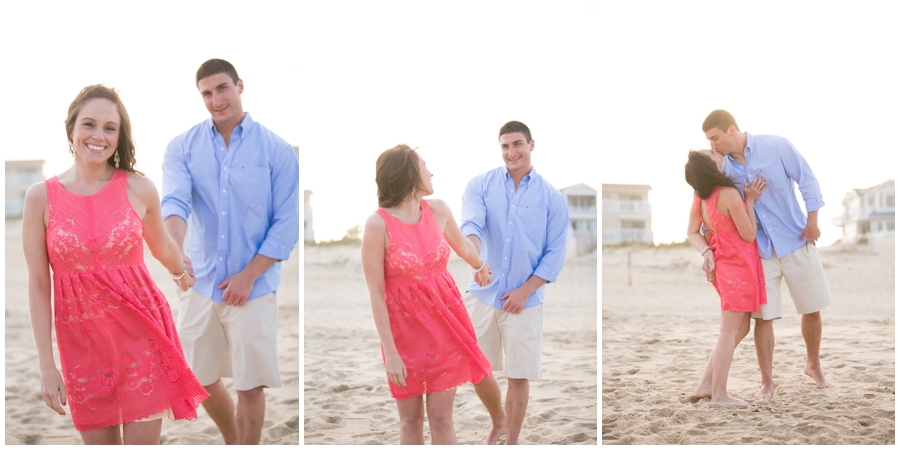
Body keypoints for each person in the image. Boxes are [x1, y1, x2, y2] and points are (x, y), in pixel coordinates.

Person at [22, 84, 209, 444]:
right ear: (71, 129)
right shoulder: (39, 198)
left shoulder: (139, 188)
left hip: (143, 335)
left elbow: (162, 246)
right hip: (81, 346)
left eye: (110, 128)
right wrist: (47, 364)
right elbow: (39, 283)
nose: (99, 135)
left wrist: (181, 273)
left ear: (119, 137)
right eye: (89, 124)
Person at [161, 58, 299, 444]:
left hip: (253, 286)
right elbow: (174, 203)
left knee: (250, 384)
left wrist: (248, 275)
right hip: (200, 282)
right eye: (206, 93)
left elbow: (286, 225)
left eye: (222, 88)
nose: (216, 99)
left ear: (239, 85)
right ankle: (233, 439)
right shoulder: (182, 147)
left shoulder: (276, 149)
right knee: (199, 378)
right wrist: (174, 248)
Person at [361, 144, 493, 445]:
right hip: (403, 335)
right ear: (408, 173)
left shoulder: (439, 210)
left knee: (442, 418)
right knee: (410, 423)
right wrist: (390, 353)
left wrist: (480, 265)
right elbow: (376, 293)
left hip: (445, 325)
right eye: (424, 165)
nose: (431, 171)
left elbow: (464, 247)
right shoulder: (377, 224)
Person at [701, 109, 833, 401]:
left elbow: (807, 180)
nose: (713, 145)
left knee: (812, 309)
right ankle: (767, 383)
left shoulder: (776, 145)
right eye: (709, 141)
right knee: (764, 319)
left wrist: (812, 221)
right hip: (758, 251)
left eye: (715, 138)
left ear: (731, 129)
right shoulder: (722, 169)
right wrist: (708, 252)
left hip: (796, 239)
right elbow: (712, 211)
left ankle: (813, 365)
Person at [461, 121, 568, 445]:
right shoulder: (480, 185)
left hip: (526, 301)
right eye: (505, 146)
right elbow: (472, 226)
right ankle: (498, 422)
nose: (511, 152)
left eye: (517, 144)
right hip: (482, 294)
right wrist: (475, 262)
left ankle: (511, 442)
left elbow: (554, 254)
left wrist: (524, 291)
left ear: (531, 145)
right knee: (476, 368)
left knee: (518, 376)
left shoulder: (552, 198)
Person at [685, 149, 767, 404]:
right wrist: (750, 201)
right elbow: (749, 234)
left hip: (723, 264)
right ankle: (719, 394)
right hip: (738, 266)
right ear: (711, 167)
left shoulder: (700, 198)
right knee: (729, 330)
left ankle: (705, 385)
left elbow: (692, 233)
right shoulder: (729, 194)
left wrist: (707, 251)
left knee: (739, 328)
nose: (713, 151)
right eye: (710, 153)